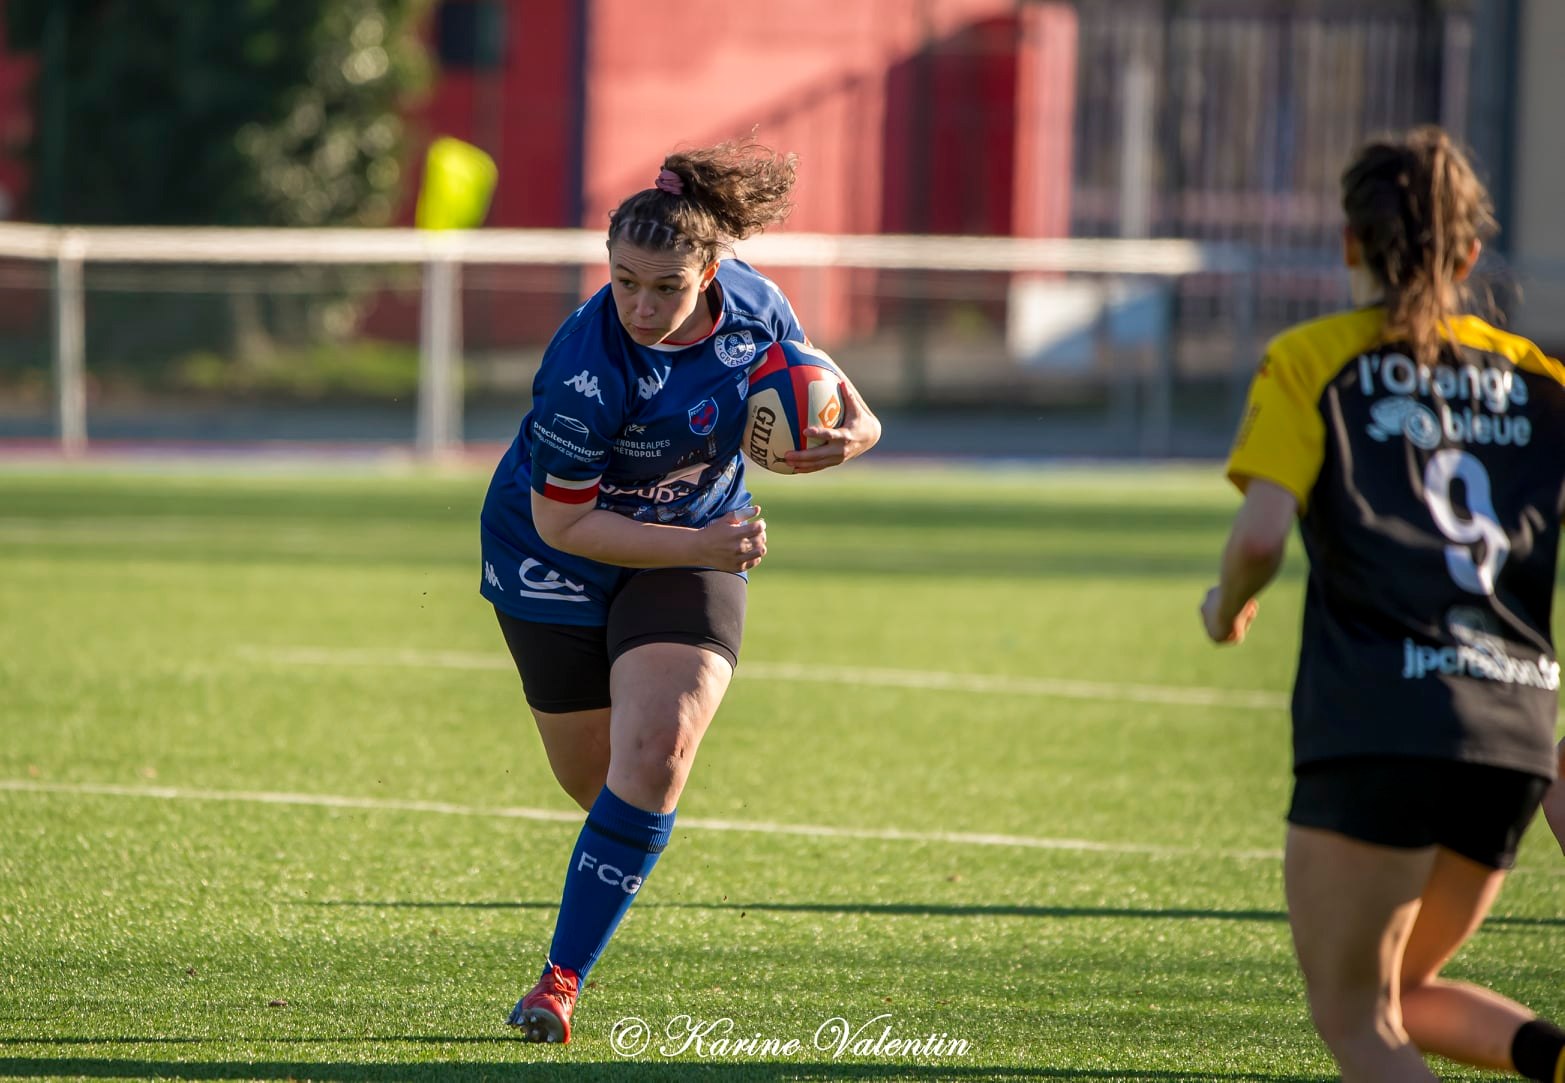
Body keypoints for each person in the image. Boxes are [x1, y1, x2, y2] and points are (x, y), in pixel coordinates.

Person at [478, 136, 881, 1044]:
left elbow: (846, 407)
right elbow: (564, 526)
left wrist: (846, 440)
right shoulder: (584, 370)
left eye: (666, 286)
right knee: (598, 781)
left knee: (655, 755)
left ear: (712, 270)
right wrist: (698, 536)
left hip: (700, 541)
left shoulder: (757, 306)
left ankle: (558, 981)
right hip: (553, 555)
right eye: (624, 281)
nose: (641, 305)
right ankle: (618, 845)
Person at [1201, 125, 1565, 1082]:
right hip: (1510, 731)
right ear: (1471, 255)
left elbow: (1258, 538)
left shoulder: (1311, 357)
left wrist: (1224, 603)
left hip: (1376, 717)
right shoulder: (1541, 381)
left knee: (1357, 1021)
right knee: (1402, 991)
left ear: (1350, 243)